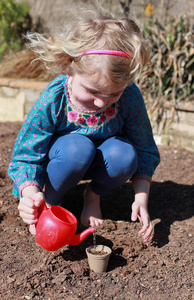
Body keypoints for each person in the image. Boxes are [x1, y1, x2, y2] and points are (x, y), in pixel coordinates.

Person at [8, 3, 160, 242]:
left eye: (113, 94)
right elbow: (27, 154)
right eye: (93, 91)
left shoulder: (129, 96)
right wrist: (31, 196)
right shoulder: (55, 97)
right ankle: (50, 204)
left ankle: (93, 196)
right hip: (62, 162)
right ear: (69, 65)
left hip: (103, 162)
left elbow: (144, 149)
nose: (102, 103)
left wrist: (141, 199)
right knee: (78, 148)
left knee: (125, 154)